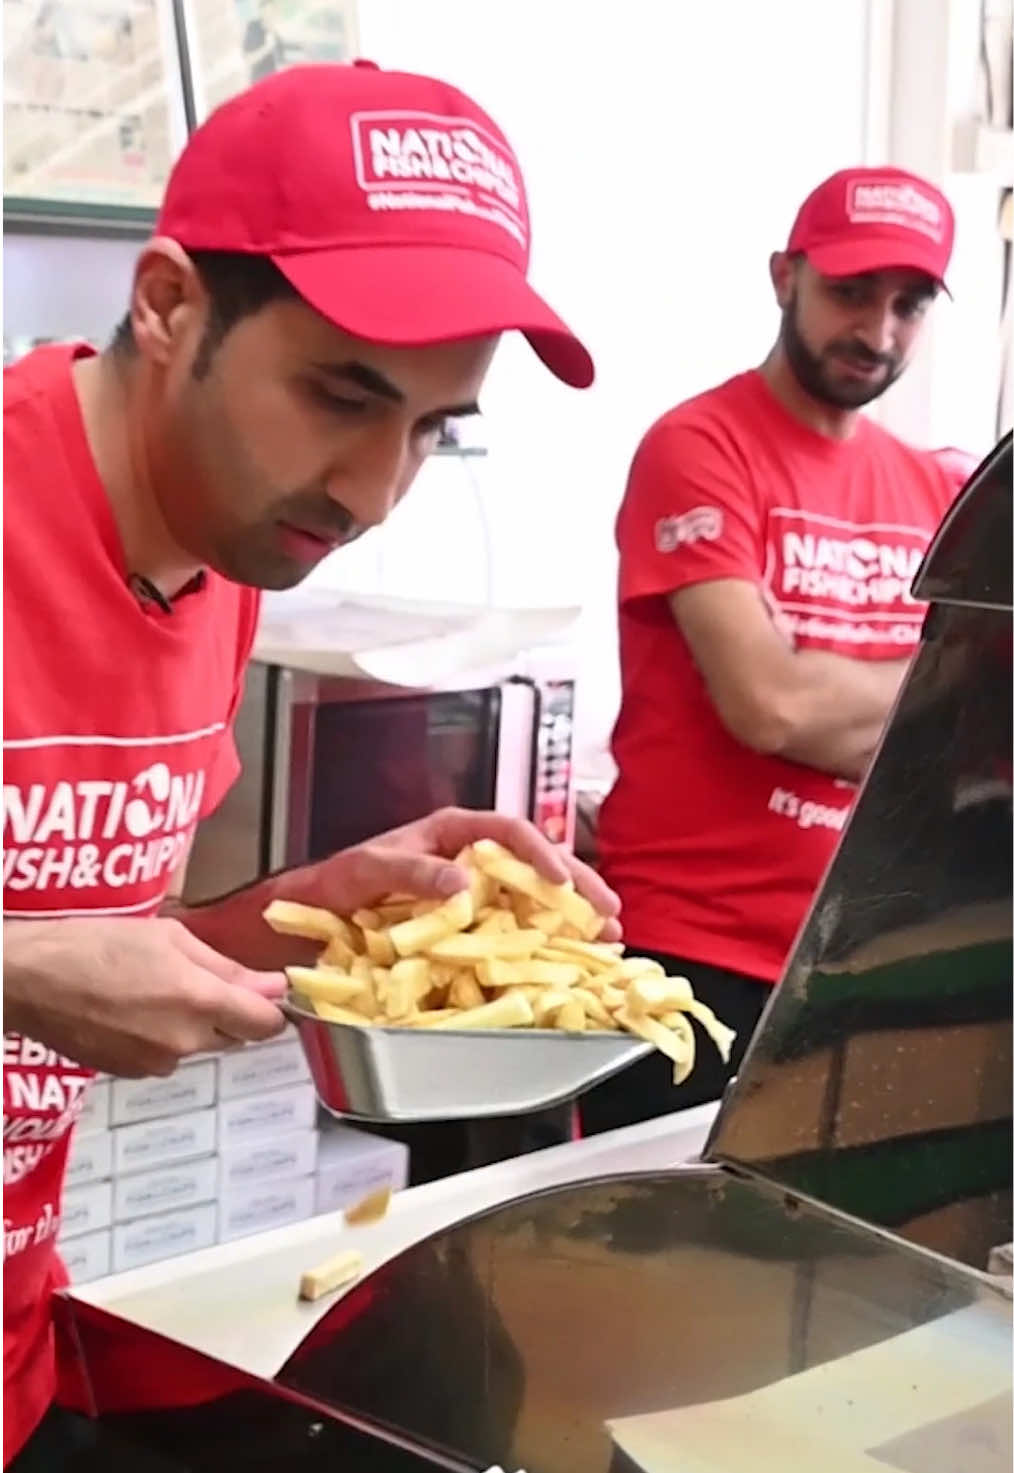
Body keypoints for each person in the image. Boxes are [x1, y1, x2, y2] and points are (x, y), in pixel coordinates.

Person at [2, 61, 613, 1470]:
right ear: (169, 306)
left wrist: (308, 917)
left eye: (427, 427)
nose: (372, 492)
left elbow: (89, 948)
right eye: (341, 395)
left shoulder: (229, 551)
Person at [583, 166, 964, 1136]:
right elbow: (771, 706)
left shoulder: (932, 488)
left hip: (861, 962)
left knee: (846, 1272)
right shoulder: (699, 446)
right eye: (850, 292)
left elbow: (965, 740)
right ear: (783, 275)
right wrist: (935, 695)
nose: (877, 333)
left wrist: (891, 707)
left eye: (908, 305)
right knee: (668, 1271)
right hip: (687, 963)